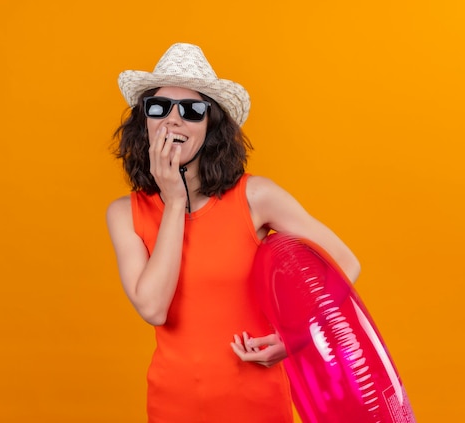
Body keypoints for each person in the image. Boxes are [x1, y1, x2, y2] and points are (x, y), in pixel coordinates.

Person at [106, 43, 361, 423]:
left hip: (256, 401)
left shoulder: (255, 196)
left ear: (211, 129)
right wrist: (175, 202)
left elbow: (345, 262)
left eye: (192, 111)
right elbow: (154, 308)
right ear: (144, 122)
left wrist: (296, 337)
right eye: (158, 108)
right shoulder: (125, 212)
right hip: (172, 404)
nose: (173, 120)